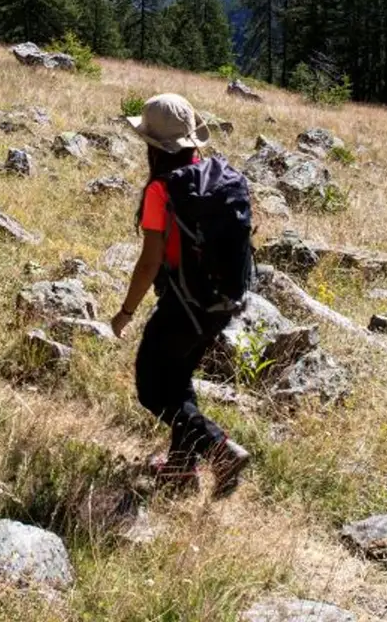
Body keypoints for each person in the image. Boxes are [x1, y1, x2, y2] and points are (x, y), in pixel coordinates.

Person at [110, 92, 252, 496]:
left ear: (153, 145)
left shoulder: (162, 190)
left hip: (182, 305)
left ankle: (219, 448)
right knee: (178, 378)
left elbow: (149, 262)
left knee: (152, 389)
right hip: (220, 302)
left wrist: (124, 312)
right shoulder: (214, 176)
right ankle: (179, 470)